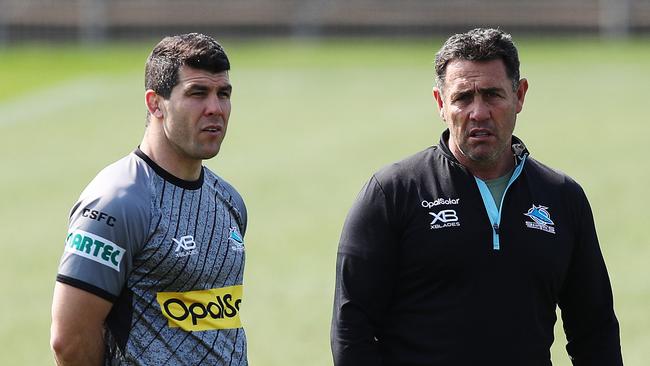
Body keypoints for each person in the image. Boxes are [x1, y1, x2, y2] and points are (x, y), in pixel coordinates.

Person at [331, 28, 623, 366]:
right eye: (463, 98)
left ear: (520, 95)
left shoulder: (562, 197)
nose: (478, 112)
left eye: (492, 94)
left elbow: (594, 330)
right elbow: (352, 329)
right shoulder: (392, 193)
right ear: (441, 104)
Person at [50, 33, 248, 365]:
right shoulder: (118, 201)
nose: (215, 108)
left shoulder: (228, 201)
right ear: (155, 103)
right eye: (197, 93)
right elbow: (69, 340)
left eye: (223, 94)